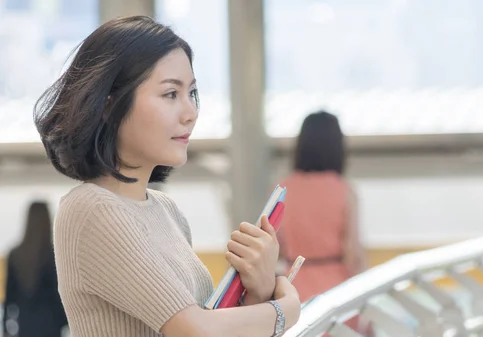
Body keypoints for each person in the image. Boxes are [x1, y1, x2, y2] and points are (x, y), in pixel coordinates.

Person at [33, 16, 300, 337]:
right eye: (171, 94)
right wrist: (286, 308)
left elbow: (206, 326)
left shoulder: (166, 210)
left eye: (193, 93)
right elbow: (197, 330)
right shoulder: (91, 208)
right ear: (109, 106)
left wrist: (259, 288)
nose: (190, 112)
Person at [277, 111, 368, 302]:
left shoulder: (282, 190)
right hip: (338, 292)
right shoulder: (344, 191)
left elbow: (276, 247)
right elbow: (354, 255)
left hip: (294, 289)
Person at [3, 201, 68, 337]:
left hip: (25, 323)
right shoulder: (54, 255)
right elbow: (58, 295)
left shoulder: (15, 254)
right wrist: (65, 321)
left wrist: (5, 327)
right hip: (51, 325)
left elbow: (10, 296)